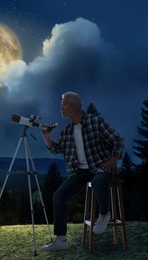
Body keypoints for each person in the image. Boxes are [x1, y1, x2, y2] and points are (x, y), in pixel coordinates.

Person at [41, 91, 124, 252]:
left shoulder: (95, 122)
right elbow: (55, 148)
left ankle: (104, 214)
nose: (60, 108)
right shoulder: (68, 132)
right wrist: (46, 136)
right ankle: (61, 240)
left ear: (74, 105)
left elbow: (118, 139)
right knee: (58, 196)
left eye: (63, 104)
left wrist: (114, 159)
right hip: (81, 172)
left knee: (98, 181)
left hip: (101, 167)